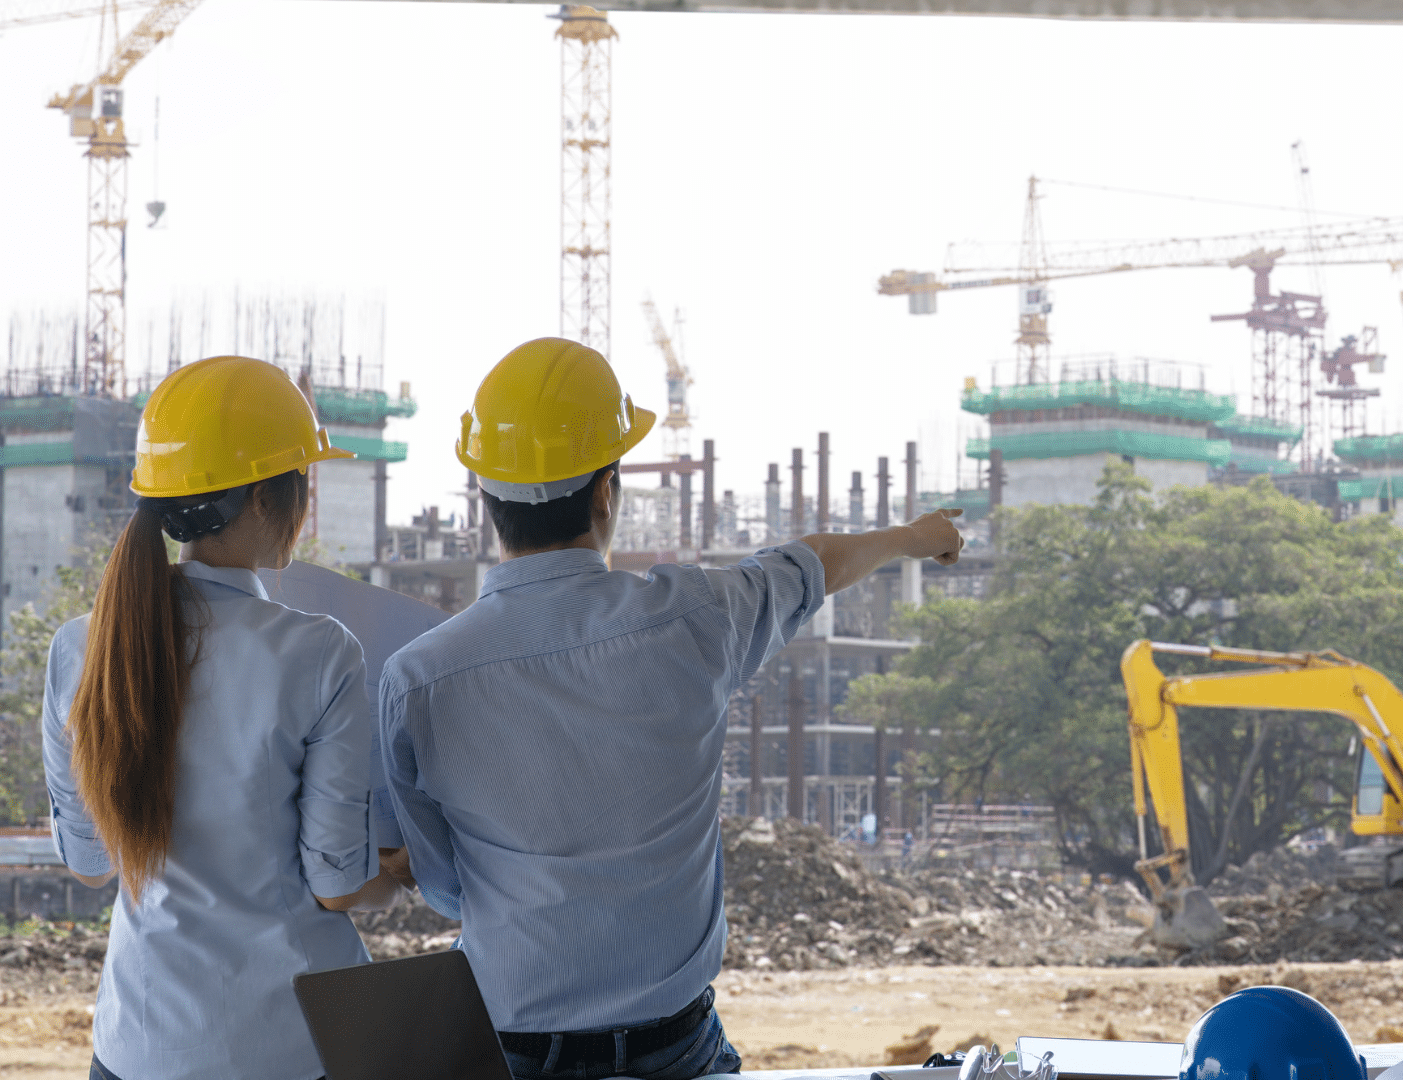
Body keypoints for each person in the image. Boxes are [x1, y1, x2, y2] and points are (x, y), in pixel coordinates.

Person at [381, 337, 964, 1080]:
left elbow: (444, 887)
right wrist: (916, 537)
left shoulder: (417, 680)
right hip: (676, 1051)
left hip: (514, 1050)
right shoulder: (697, 615)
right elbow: (813, 564)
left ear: (486, 496)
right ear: (605, 491)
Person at [41, 356, 409, 1080]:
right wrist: (397, 872)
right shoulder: (318, 653)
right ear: (271, 502)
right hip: (290, 1047)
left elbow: (87, 864)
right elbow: (336, 883)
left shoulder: (82, 647)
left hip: (137, 1046)